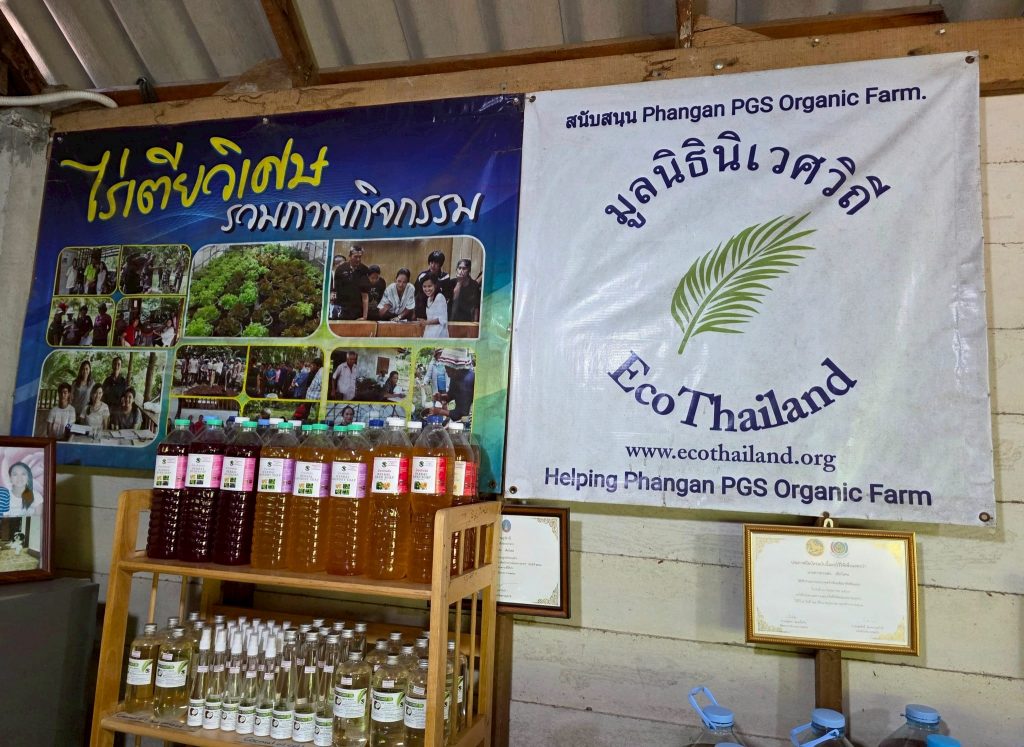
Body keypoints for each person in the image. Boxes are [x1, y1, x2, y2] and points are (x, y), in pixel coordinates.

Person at [332, 245, 370, 320]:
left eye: (360, 257)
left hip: (357, 310)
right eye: (355, 257)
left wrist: (364, 317)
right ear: (350, 256)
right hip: (341, 309)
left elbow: (365, 296)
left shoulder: (364, 270)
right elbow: (335, 291)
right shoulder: (340, 269)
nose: (358, 259)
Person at [415, 250, 450, 319]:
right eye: (431, 262)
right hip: (422, 311)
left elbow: (447, 296)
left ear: (440, 264)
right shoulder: (422, 275)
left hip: (438, 312)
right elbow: (416, 294)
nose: (433, 265)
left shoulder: (445, 277)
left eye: (436, 263)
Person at [446, 258, 481, 323]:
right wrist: (459, 282)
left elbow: (476, 306)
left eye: (464, 268)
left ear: (468, 270)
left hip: (467, 319)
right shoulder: (452, 282)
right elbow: (453, 299)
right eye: (459, 268)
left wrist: (475, 322)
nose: (461, 271)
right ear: (457, 269)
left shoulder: (474, 285)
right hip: (452, 317)